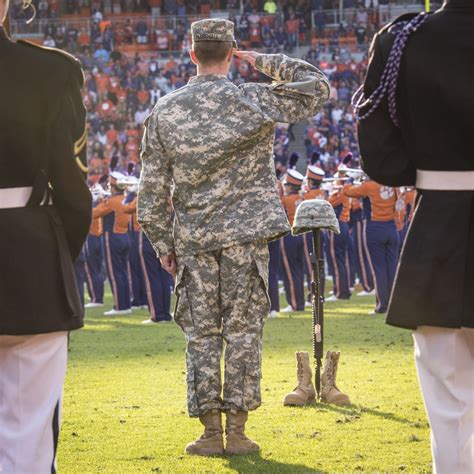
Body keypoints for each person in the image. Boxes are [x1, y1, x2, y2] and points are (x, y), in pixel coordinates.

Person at [138, 19, 329, 456]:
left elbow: (149, 195)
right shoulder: (253, 99)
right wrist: (260, 60)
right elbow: (317, 86)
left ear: (192, 54)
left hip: (194, 241)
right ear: (231, 53)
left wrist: (164, 246)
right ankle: (239, 433)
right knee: (243, 332)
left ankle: (209, 433)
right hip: (246, 240)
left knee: (202, 335)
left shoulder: (165, 110)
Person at [355, 3, 474, 472]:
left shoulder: (402, 39)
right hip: (440, 220)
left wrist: (428, 170)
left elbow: (380, 156)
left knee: (448, 404)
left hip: (437, 229)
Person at [0, 3, 92, 471]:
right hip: (30, 258)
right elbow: (75, 195)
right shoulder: (52, 72)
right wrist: (52, 253)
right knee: (28, 443)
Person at [344, 179, 398, 314]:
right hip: (392, 227)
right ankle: (393, 304)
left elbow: (347, 191)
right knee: (392, 268)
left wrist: (349, 181)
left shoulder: (368, 186)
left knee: (379, 269)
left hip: (375, 228)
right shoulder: (393, 183)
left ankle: (382, 306)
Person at [93, 172, 132, 315]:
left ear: (114, 187)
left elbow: (94, 214)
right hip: (125, 236)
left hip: (112, 237)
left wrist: (97, 201)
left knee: (114, 274)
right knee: (123, 272)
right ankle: (126, 304)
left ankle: (119, 307)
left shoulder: (111, 201)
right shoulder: (126, 198)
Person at [280, 169, 306, 312]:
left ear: (290, 186)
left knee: (289, 271)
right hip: (301, 235)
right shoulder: (302, 199)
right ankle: (299, 302)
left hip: (289, 235)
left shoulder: (285, 200)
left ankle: (294, 303)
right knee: (298, 270)